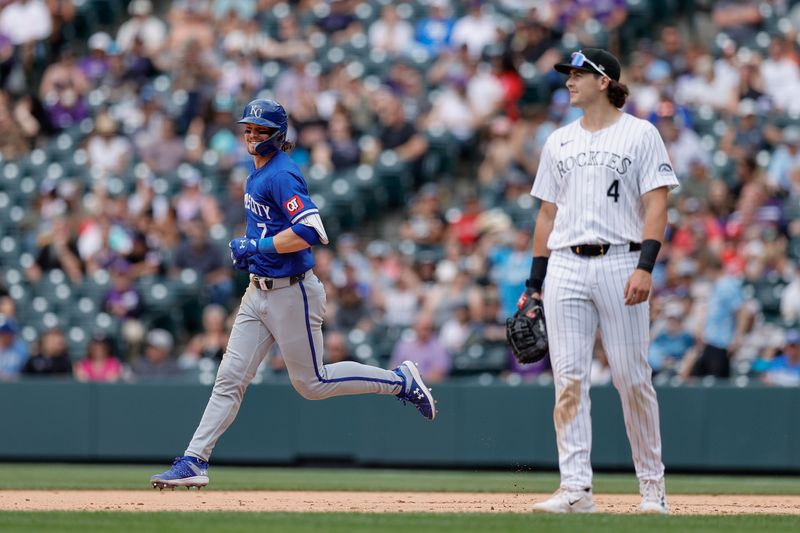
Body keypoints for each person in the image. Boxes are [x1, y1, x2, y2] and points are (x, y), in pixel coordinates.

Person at [151, 98, 436, 489]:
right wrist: (253, 251)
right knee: (229, 379)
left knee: (312, 383)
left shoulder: (282, 174)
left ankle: (400, 381)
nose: (252, 136)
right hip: (257, 293)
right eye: (248, 129)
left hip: (292, 293)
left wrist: (258, 248)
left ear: (278, 134)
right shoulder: (257, 171)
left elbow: (311, 230)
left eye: (260, 130)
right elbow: (272, 228)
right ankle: (194, 460)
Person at [522, 49, 678, 514]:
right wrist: (534, 283)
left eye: (578, 74)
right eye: (568, 75)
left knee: (632, 379)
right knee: (568, 379)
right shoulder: (559, 141)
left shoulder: (641, 133)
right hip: (566, 264)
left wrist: (646, 265)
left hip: (621, 260)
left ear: (605, 80)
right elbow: (547, 214)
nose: (569, 82)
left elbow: (657, 205)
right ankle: (575, 489)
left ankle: (653, 489)